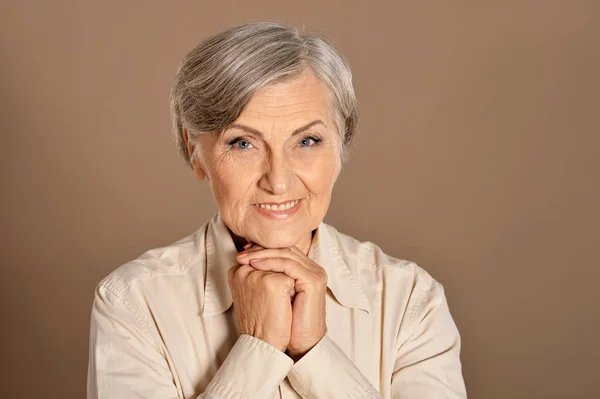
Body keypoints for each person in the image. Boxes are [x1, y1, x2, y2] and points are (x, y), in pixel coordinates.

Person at [87, 22, 467, 399]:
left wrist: (315, 354)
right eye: (242, 144)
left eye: (307, 140)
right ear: (194, 150)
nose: (279, 181)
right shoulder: (133, 303)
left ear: (341, 146)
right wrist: (258, 351)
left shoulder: (411, 301)